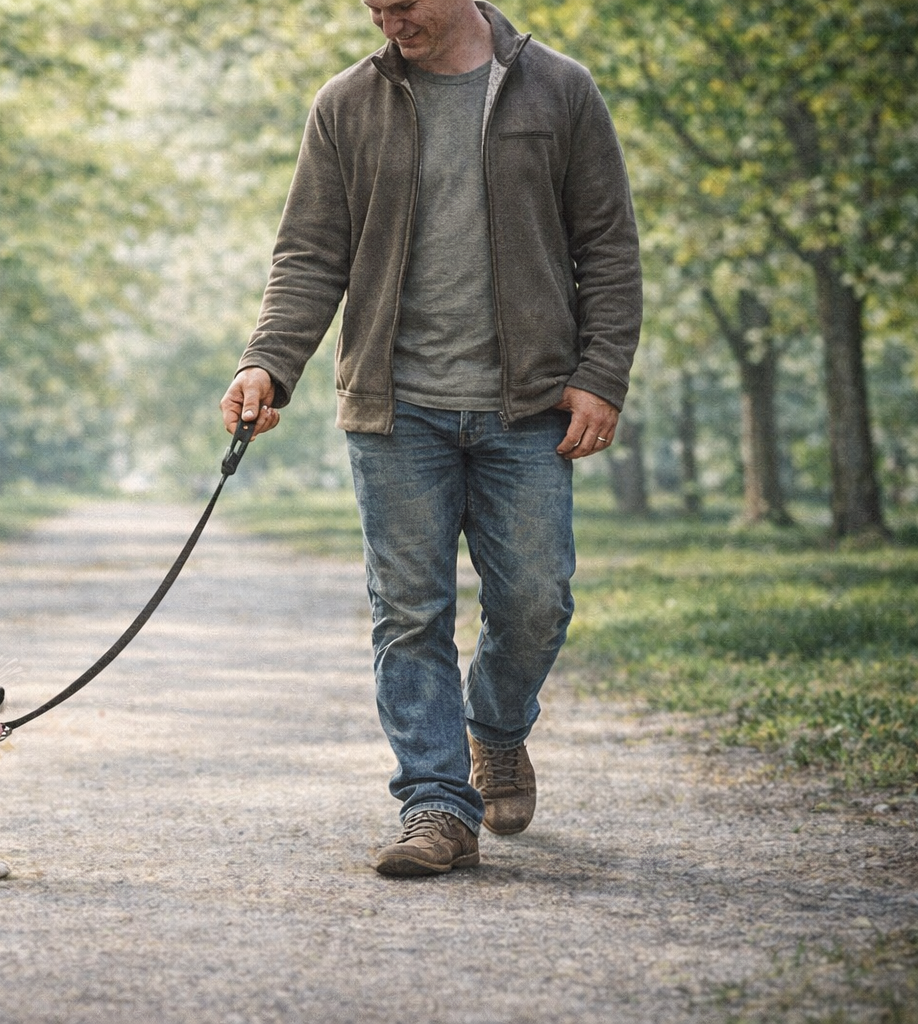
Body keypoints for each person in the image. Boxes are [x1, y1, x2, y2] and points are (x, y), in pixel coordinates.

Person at [220, 0, 641, 877]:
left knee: (536, 600)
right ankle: (437, 806)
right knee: (409, 613)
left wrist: (601, 373)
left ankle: (493, 730)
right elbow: (309, 253)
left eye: (401, 3)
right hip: (394, 404)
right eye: (372, 5)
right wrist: (268, 363)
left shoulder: (559, 89)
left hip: (526, 404)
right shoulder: (347, 102)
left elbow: (605, 244)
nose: (387, 19)